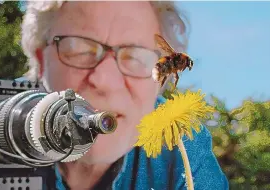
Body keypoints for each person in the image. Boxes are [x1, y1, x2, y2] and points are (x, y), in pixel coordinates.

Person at [21, 1, 229, 190]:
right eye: (79, 49)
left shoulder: (183, 143)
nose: (105, 81)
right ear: (41, 62)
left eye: (136, 57)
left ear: (158, 84)